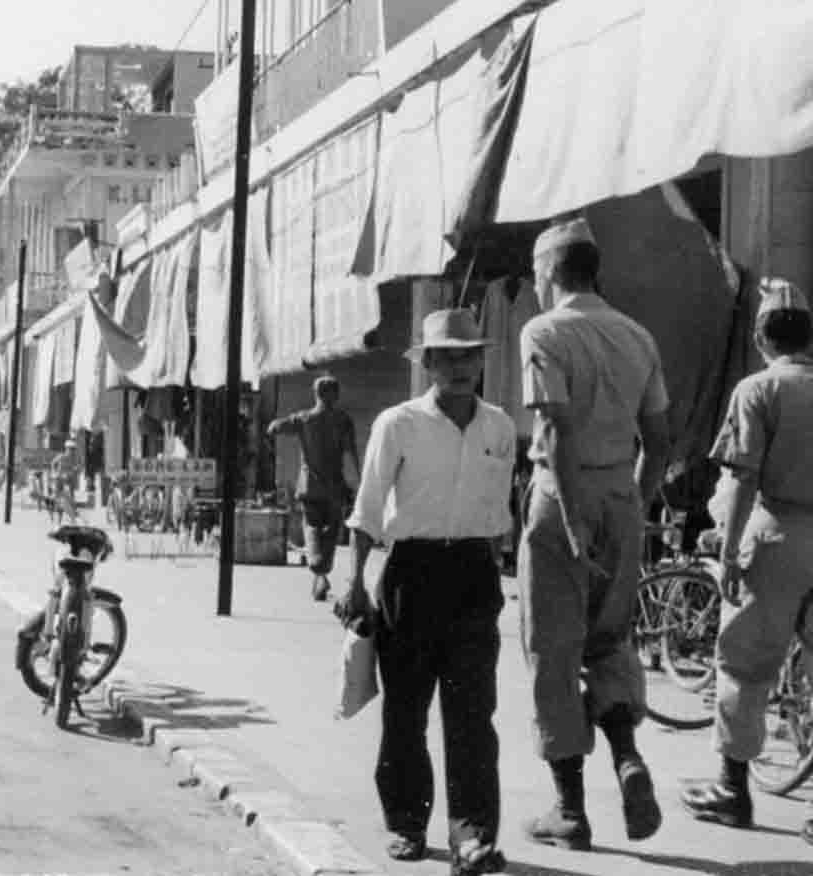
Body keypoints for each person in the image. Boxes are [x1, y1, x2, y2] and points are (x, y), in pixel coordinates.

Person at [680, 278, 813, 857]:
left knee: (744, 665)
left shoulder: (756, 389)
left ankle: (732, 789)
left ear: (759, 338)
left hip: (772, 535)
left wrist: (727, 552)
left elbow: (743, 477)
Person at [337, 308, 515, 876]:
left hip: (472, 576)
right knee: (407, 711)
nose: (461, 366)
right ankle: (407, 825)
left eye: (470, 355)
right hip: (410, 575)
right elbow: (367, 510)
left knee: (472, 714)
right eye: (449, 357)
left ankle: (473, 837)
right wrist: (356, 584)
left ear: (482, 361)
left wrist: (494, 587)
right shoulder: (398, 424)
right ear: (429, 364)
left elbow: (497, 517)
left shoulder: (500, 428)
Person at [517, 217, 671, 851]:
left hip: (563, 500)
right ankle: (628, 758)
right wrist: (627, 502)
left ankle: (570, 807)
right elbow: (659, 442)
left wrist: (575, 519)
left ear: (551, 271)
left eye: (535, 272)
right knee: (609, 641)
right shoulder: (638, 336)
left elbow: (553, 434)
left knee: (552, 652)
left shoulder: (544, 331)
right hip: (622, 499)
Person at [268, 375, 360, 602]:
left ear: (316, 394)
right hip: (335, 487)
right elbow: (351, 454)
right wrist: (358, 481)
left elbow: (274, 428)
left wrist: (275, 428)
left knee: (312, 527)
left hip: (310, 486)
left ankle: (318, 570)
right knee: (332, 532)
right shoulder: (344, 421)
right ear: (336, 395)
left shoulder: (304, 419)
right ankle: (321, 571)